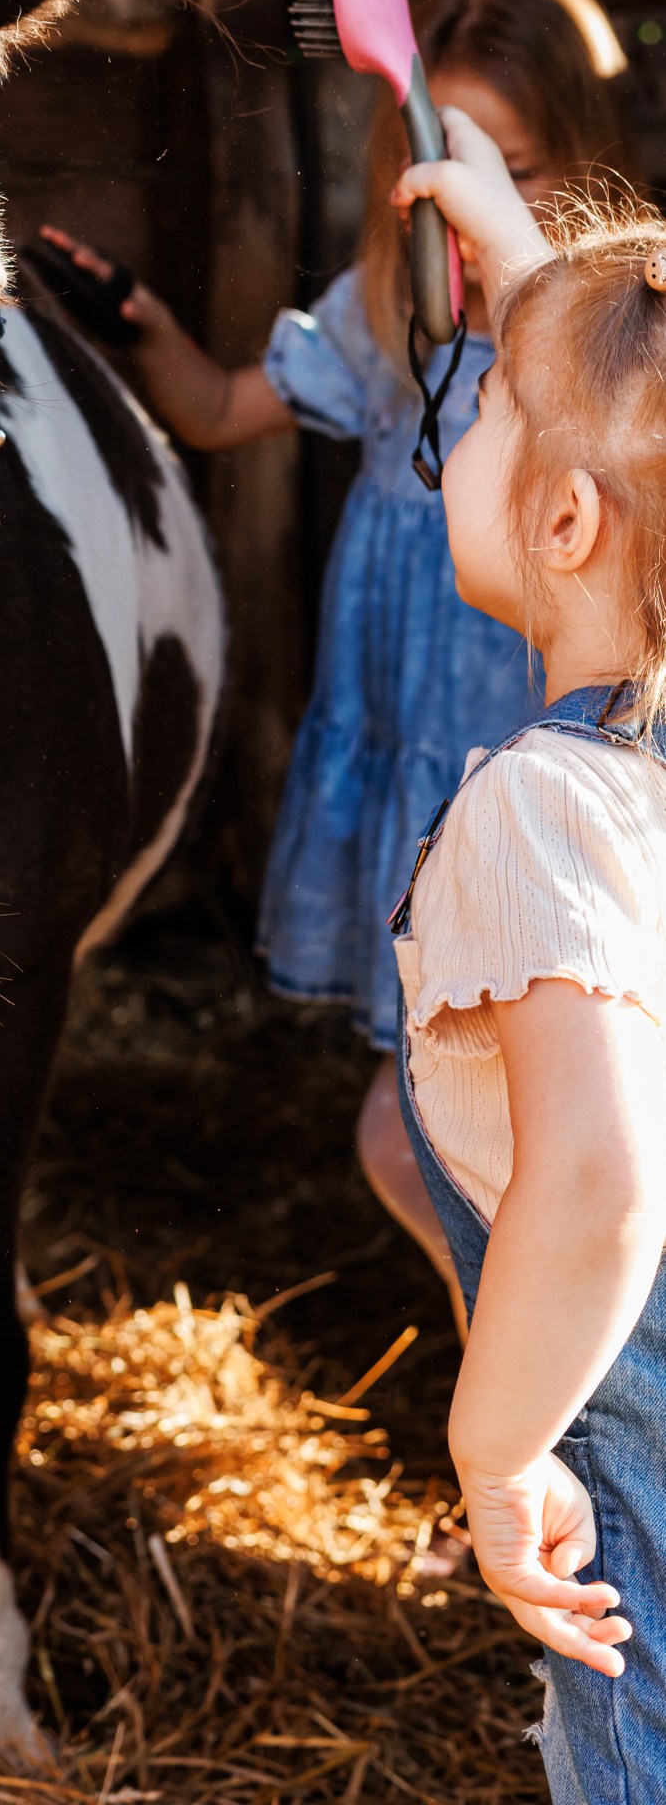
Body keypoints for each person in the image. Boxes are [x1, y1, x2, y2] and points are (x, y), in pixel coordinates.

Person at [40, 0, 632, 1329]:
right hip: (425, 790)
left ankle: (550, 1387)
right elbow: (218, 409)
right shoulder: (387, 325)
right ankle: (534, 1377)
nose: (475, 207)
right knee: (440, 1125)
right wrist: (140, 323)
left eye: (517, 171)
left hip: (526, 780)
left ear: (582, 160)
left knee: (488, 1131)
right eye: (444, 168)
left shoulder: (609, 356)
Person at [384, 111, 666, 1793]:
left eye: (487, 400)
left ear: (564, 524)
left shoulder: (539, 809)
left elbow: (603, 1181)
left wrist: (496, 1454)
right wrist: (521, 263)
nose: (461, 425)